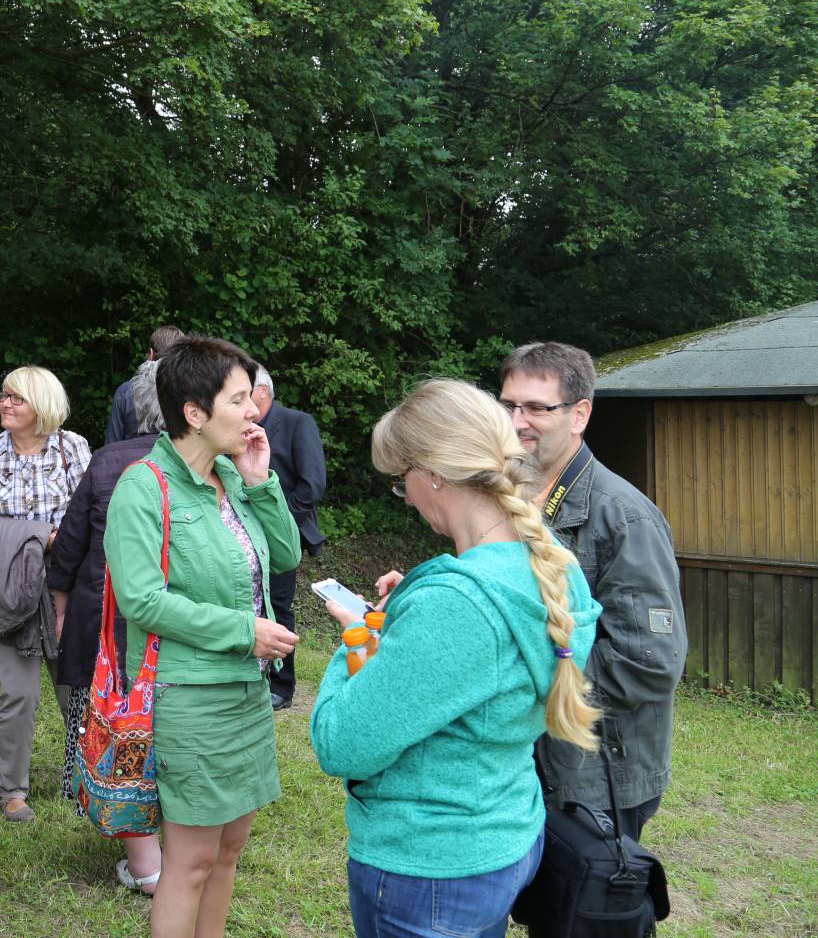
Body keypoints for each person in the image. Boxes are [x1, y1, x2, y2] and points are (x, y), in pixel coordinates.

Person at [310, 379, 604, 938]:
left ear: (435, 474)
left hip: (431, 866)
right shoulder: (554, 565)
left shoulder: (456, 603)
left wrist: (357, 634)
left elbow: (342, 743)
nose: (407, 496)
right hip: (504, 833)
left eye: (402, 481)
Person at [103, 335, 300, 938]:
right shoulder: (144, 485)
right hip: (190, 699)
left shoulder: (233, 477)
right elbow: (141, 599)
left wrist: (260, 481)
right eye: (239, 400)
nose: (253, 411)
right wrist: (244, 630)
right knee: (187, 864)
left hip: (245, 695)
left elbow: (287, 553)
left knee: (228, 851)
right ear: (194, 412)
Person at [501, 341, 687, 840]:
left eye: (537, 407)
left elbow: (648, 662)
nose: (518, 421)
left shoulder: (624, 517)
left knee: (587, 916)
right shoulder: (512, 497)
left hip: (600, 772)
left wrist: (523, 681)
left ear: (579, 414)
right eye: (508, 405)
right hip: (535, 758)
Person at [47, 358, 165, 894]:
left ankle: (137, 841)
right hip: (173, 630)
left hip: (107, 617)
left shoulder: (108, 460)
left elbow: (69, 544)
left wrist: (62, 601)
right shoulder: (212, 465)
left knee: (112, 724)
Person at [0, 365, 91, 823]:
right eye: (3, 396)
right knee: (17, 693)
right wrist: (35, 536)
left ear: (43, 404)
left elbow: (93, 515)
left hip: (67, 587)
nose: (4, 404)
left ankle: (85, 778)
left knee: (73, 687)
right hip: (8, 584)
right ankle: (11, 790)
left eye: (16, 397)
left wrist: (56, 543)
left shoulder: (72, 449)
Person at [251, 365, 328, 710]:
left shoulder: (297, 423)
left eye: (244, 393)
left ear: (263, 392)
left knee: (278, 607)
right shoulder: (239, 431)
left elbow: (312, 486)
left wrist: (278, 524)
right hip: (243, 533)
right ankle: (255, 677)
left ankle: (283, 686)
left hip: (282, 537)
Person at [104, 324, 183, 445]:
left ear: (151, 354)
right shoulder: (197, 390)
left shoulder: (126, 391)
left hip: (132, 460)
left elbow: (112, 443)